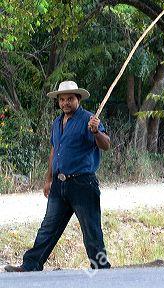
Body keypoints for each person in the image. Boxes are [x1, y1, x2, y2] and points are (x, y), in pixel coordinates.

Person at [4, 81, 111, 272]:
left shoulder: (89, 120)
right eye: (62, 100)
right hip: (59, 184)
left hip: (83, 183)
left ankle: (101, 267)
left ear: (78, 99)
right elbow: (54, 151)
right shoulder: (57, 122)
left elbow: (106, 145)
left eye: (70, 99)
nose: (65, 103)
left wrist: (95, 132)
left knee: (91, 229)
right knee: (48, 228)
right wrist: (48, 179)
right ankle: (31, 264)